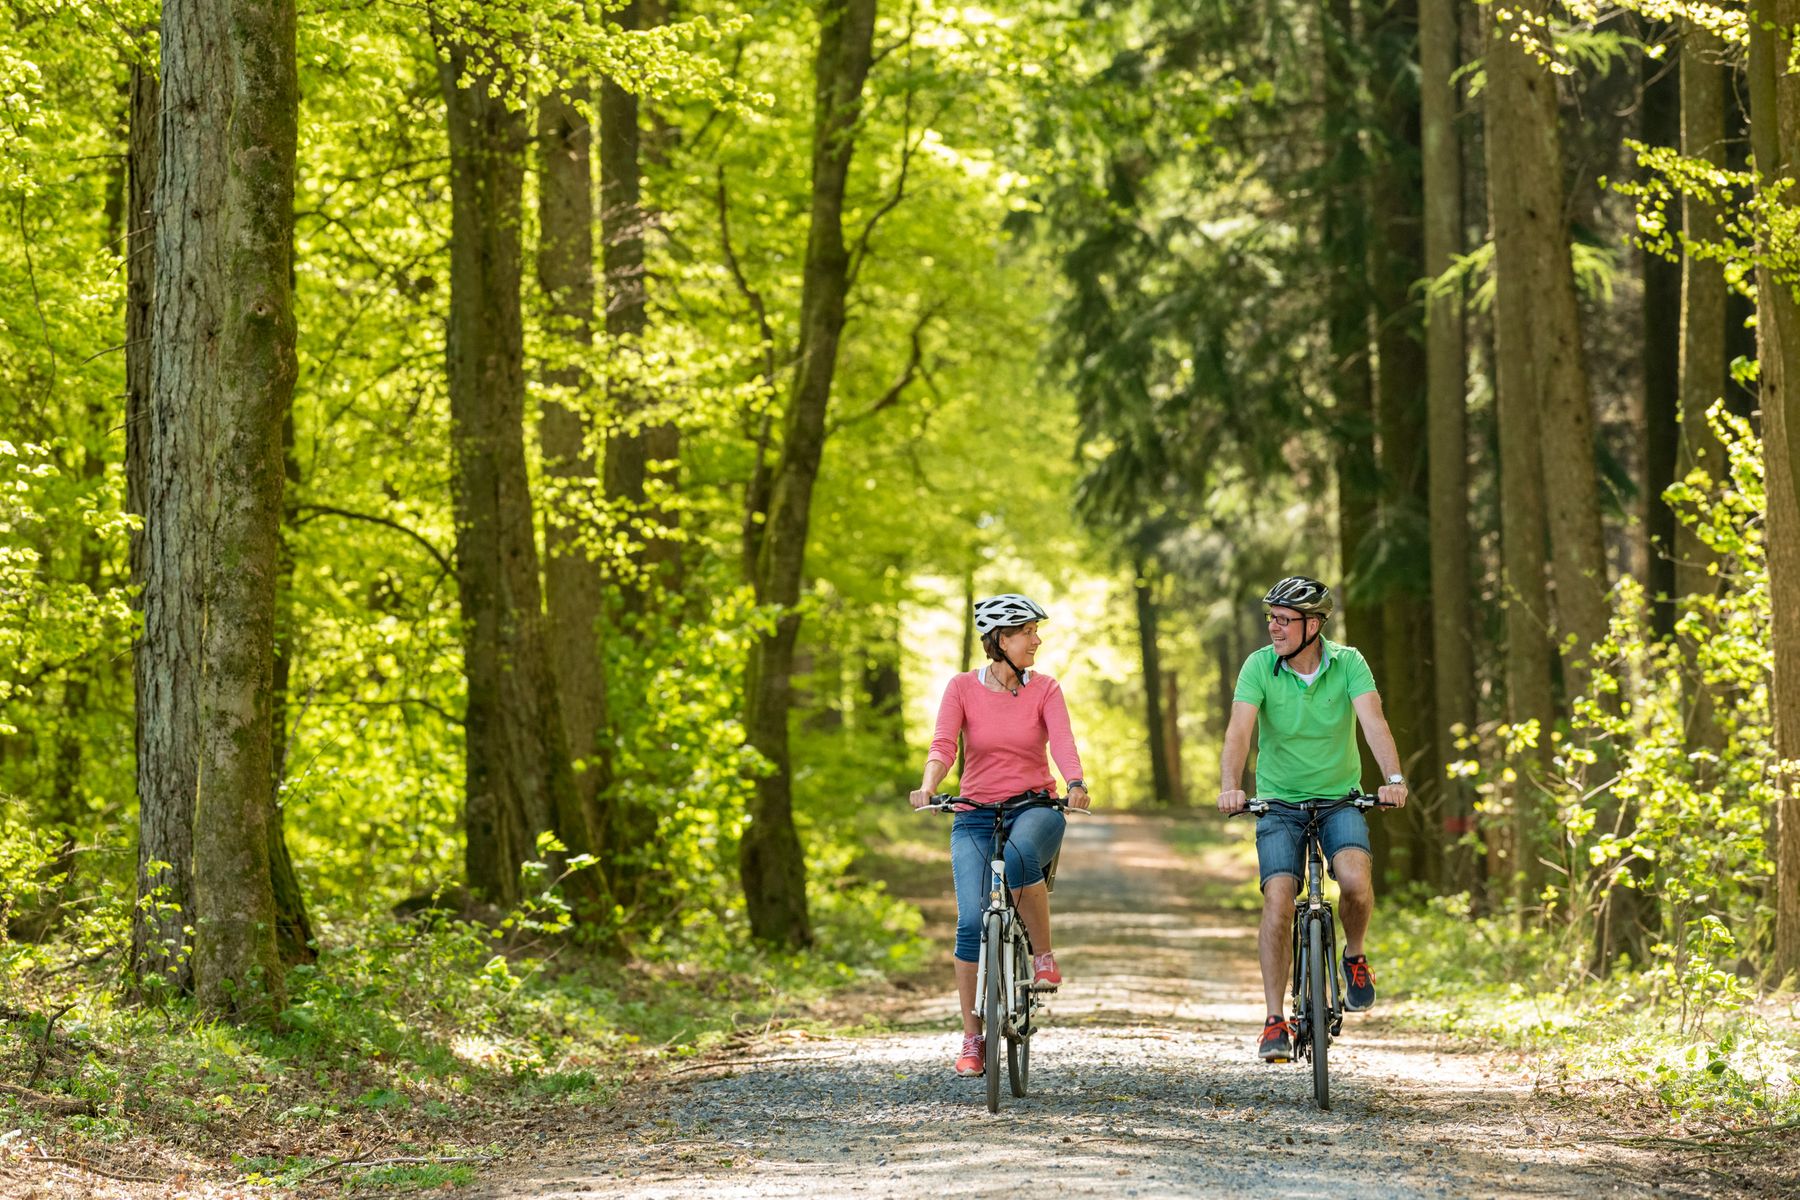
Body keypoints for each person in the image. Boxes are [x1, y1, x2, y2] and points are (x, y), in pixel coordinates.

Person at [1216, 576, 1409, 1063]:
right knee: (1279, 898)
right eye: (1271, 619)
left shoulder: (1349, 664)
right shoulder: (1259, 666)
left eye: (1284, 620)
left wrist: (1393, 777)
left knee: (1355, 881)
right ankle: (1273, 1019)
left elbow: (1374, 723)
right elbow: (1239, 731)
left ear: (1314, 625)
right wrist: (1230, 787)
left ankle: (1354, 956)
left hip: (1340, 799)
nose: (1274, 628)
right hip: (1278, 803)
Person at [910, 593, 1091, 1078]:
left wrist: (1074, 783)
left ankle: (1044, 954)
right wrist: (929, 786)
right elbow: (944, 744)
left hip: (1035, 807)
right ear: (1000, 641)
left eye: (1035, 631)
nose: (1037, 640)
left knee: (1018, 854)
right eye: (1027, 632)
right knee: (971, 922)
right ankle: (972, 1036)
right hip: (973, 813)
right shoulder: (962, 688)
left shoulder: (1046, 688)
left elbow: (1063, 742)